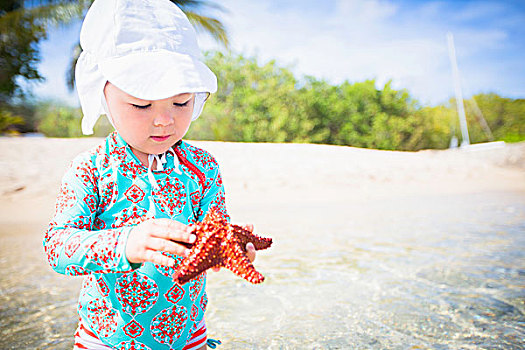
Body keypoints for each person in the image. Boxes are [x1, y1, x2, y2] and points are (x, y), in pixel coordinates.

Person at [42, 0, 256, 349]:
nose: (163, 120)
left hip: (189, 335)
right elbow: (57, 246)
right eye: (142, 104)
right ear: (102, 93)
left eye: (181, 102)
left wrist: (233, 250)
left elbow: (213, 233)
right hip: (106, 338)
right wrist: (124, 244)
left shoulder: (203, 167)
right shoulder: (91, 169)